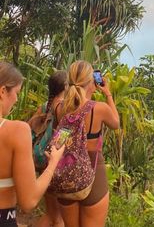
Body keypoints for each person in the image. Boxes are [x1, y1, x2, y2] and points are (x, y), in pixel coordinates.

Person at [56, 60, 120, 227]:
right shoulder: (99, 109)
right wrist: (108, 94)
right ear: (91, 82)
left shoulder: (62, 108)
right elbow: (116, 124)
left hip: (67, 173)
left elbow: (59, 140)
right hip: (93, 170)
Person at [0, 61, 64, 227]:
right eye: (17, 93)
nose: (16, 99)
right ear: (2, 91)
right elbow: (28, 202)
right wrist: (53, 163)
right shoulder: (17, 131)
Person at [35, 70, 68, 227]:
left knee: (51, 215)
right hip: (54, 164)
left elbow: (31, 128)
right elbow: (64, 135)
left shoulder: (45, 106)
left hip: (43, 162)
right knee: (58, 219)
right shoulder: (62, 108)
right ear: (66, 87)